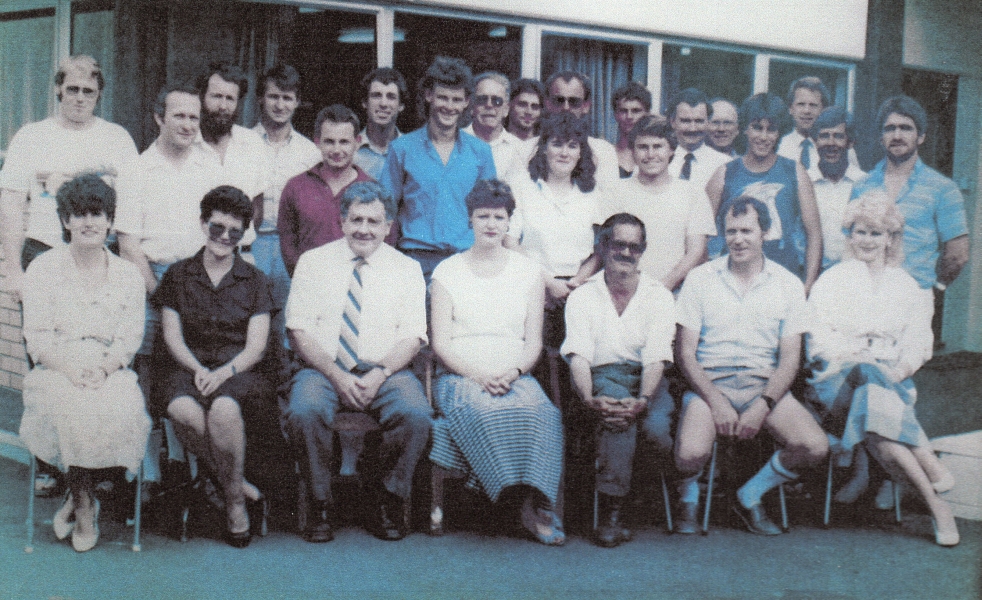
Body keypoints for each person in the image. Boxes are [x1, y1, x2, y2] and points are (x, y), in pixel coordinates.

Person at [806, 192, 959, 546]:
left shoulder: (908, 287)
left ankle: (936, 507)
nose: (867, 241)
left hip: (890, 382)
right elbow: (818, 342)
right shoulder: (831, 281)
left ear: (891, 238)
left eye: (876, 233)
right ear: (849, 235)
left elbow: (919, 344)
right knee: (864, 373)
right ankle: (927, 465)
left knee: (874, 408)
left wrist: (893, 371)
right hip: (836, 384)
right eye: (860, 232)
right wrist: (859, 357)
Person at [283, 181, 432, 543]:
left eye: (373, 221)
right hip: (323, 368)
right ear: (342, 221)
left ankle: (384, 496)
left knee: (416, 414)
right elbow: (298, 330)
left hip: (385, 370)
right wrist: (336, 376)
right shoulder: (313, 262)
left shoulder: (407, 268)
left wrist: (380, 375)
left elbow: (413, 335)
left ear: (388, 226)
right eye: (356, 220)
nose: (364, 229)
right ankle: (321, 501)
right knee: (304, 410)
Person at [675, 197, 828, 535]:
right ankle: (688, 496)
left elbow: (790, 359)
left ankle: (750, 494)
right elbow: (686, 354)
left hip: (763, 385)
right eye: (731, 231)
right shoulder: (700, 279)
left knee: (814, 447)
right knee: (689, 454)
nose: (738, 239)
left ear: (765, 233)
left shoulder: (788, 284)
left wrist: (763, 406)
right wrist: (716, 402)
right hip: (710, 385)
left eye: (747, 230)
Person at [429, 179, 564, 545]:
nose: (490, 223)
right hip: (461, 376)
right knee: (487, 409)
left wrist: (514, 372)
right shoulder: (447, 272)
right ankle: (515, 503)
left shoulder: (528, 272)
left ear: (509, 223)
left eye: (499, 216)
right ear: (470, 220)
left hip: (514, 374)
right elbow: (440, 343)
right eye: (482, 216)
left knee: (542, 412)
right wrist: (480, 375)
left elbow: (533, 341)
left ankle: (535, 502)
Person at [19, 174, 150, 552]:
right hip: (58, 365)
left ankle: (77, 498)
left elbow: (129, 337)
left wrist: (105, 368)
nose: (89, 222)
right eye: (80, 214)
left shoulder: (128, 275)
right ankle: (84, 506)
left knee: (125, 407)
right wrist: (71, 369)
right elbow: (37, 336)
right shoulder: (43, 269)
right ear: (65, 221)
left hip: (108, 365)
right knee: (71, 407)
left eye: (98, 213)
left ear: (110, 221)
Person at [154, 186, 278, 548]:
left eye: (235, 231)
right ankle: (235, 484)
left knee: (223, 410)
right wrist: (197, 369)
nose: (225, 237)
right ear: (203, 224)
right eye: (217, 227)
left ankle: (235, 504)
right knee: (182, 410)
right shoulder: (178, 275)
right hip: (187, 367)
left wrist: (223, 373)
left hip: (239, 372)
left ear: (244, 235)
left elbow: (256, 347)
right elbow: (172, 336)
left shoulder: (255, 281)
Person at [562, 213, 676, 547]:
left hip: (647, 379)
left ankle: (635, 500)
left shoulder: (659, 296)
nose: (626, 253)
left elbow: (656, 357)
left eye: (634, 247)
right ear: (604, 246)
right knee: (615, 414)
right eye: (618, 244)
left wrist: (643, 399)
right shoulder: (583, 296)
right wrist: (587, 398)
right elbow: (579, 357)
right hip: (599, 377)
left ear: (643, 250)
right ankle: (612, 512)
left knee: (655, 430)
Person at [0, 55, 138, 303]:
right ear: (58, 89)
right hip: (43, 252)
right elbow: (11, 208)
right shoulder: (30, 136)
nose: (80, 98)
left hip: (100, 259)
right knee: (42, 338)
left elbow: (131, 209)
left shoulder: (118, 139)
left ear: (99, 94)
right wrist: (13, 271)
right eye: (73, 89)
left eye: (89, 91)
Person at [116, 82, 222, 363]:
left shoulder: (210, 166)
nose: (188, 125)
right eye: (179, 116)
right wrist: (161, 296)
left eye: (194, 118)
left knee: (194, 366)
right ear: (159, 117)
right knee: (147, 365)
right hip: (151, 283)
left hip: (202, 281)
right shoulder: (135, 170)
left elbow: (220, 230)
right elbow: (127, 246)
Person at [380, 56, 496, 282]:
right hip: (414, 260)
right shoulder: (401, 149)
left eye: (456, 99)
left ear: (466, 103)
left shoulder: (480, 152)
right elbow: (385, 209)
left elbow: (490, 212)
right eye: (443, 97)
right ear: (429, 95)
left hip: (466, 260)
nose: (449, 106)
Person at [850, 95, 969, 294]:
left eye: (906, 128)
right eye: (890, 128)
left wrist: (935, 289)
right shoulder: (863, 185)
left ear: (921, 136)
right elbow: (851, 242)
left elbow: (958, 255)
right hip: (865, 295)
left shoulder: (943, 188)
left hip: (916, 296)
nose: (897, 135)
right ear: (881, 138)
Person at [706, 92, 822, 292]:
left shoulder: (794, 171)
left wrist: (808, 285)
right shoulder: (725, 173)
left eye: (771, 130)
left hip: (784, 278)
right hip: (732, 282)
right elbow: (701, 234)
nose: (763, 136)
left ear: (779, 133)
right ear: (745, 129)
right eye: (757, 128)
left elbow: (814, 234)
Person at [508, 112, 603, 347]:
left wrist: (575, 285)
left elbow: (601, 249)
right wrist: (549, 284)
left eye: (572, 146)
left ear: (581, 153)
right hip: (532, 288)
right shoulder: (522, 188)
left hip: (580, 291)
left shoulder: (593, 195)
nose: (564, 153)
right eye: (557, 144)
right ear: (544, 148)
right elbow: (510, 242)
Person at [604, 117, 716, 291]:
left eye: (658, 146)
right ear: (633, 151)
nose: (650, 155)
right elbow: (606, 248)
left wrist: (663, 287)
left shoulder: (693, 193)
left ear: (671, 149)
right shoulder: (615, 192)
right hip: (623, 292)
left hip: (675, 294)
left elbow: (696, 251)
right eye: (643, 147)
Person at [252, 63, 321, 340]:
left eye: (287, 98)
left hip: (289, 246)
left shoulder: (310, 153)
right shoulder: (242, 143)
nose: (280, 105)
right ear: (260, 98)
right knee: (250, 319)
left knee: (286, 325)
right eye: (273, 96)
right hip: (250, 243)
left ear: (297, 102)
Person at [278, 104, 386, 277]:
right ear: (317, 142)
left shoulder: (375, 191)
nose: (337, 150)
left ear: (357, 143)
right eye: (329, 141)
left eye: (344, 142)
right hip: (310, 284)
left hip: (359, 288)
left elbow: (384, 245)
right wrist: (305, 278)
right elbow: (288, 245)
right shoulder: (296, 187)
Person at [195, 62, 268, 249]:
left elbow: (257, 210)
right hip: (195, 257)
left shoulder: (253, 144)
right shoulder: (186, 145)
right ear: (201, 97)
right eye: (216, 97)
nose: (223, 106)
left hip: (241, 256)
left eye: (230, 99)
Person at [807, 106, 866, 269]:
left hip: (854, 274)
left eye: (838, 136)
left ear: (850, 142)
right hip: (812, 273)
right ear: (815, 141)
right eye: (824, 136)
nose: (831, 143)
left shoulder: (864, 184)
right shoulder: (804, 182)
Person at [543, 71, 620, 193]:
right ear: (548, 104)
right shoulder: (527, 149)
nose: (566, 108)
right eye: (559, 100)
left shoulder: (604, 152)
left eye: (574, 102)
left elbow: (609, 202)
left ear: (586, 106)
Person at [776, 76, 860, 171]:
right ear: (790, 108)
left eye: (813, 105)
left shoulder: (841, 149)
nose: (807, 111)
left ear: (824, 109)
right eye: (801, 104)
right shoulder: (779, 147)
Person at [463, 72, 527, 182]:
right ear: (472, 107)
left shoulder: (520, 150)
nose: (489, 105)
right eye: (482, 99)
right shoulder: (455, 143)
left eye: (497, 101)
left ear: (506, 109)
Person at [666, 88, 731, 191]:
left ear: (708, 122)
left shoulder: (725, 165)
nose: (693, 128)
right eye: (686, 121)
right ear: (673, 122)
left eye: (699, 121)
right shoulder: (658, 160)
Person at [354, 68, 406, 180]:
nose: (383, 103)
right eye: (376, 95)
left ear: (401, 105)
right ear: (364, 102)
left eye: (391, 97)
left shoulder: (412, 151)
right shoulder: (350, 150)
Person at [612, 82, 654, 177]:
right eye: (623, 111)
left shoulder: (654, 156)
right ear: (615, 114)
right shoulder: (607, 154)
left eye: (636, 111)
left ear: (647, 114)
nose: (629, 116)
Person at [507, 78, 546, 142]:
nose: (529, 112)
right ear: (509, 106)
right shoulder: (496, 142)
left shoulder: (545, 146)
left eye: (535, 107)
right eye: (522, 105)